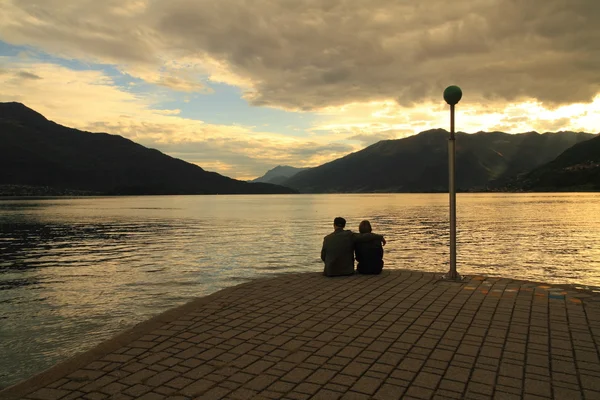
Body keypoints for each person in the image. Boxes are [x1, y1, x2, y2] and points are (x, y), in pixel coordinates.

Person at [321, 217, 385, 277]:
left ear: (334, 225)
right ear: (344, 225)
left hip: (330, 271)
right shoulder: (349, 235)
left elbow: (323, 256)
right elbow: (365, 236)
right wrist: (380, 237)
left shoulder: (327, 238)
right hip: (347, 271)